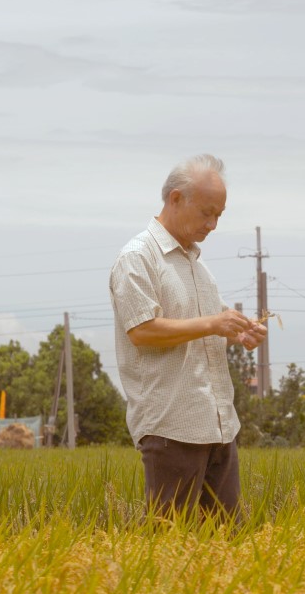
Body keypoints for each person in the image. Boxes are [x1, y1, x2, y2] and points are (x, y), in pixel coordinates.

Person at [109, 154, 267, 520]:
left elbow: (209, 327)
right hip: (171, 428)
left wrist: (240, 333)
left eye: (219, 216)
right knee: (169, 547)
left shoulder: (197, 265)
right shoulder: (138, 258)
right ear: (175, 199)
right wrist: (214, 324)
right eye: (206, 213)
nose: (212, 224)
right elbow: (142, 331)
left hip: (218, 424)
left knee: (229, 543)